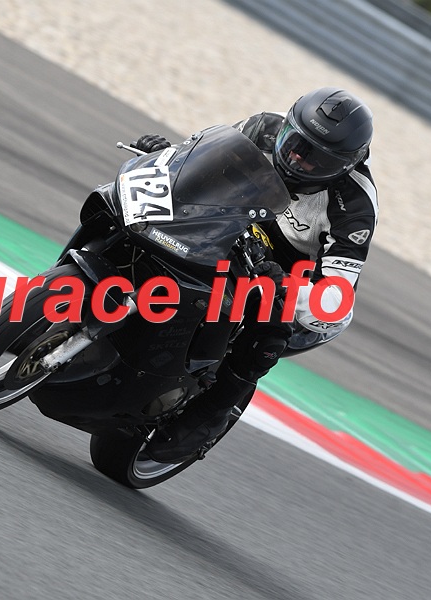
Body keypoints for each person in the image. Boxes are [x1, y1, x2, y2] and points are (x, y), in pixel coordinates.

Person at [137, 87, 379, 463]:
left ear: (345, 166)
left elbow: (336, 300)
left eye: (316, 157)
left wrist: (285, 285)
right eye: (296, 142)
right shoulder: (263, 128)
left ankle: (209, 415)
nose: (297, 158)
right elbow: (199, 164)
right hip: (236, 228)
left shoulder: (355, 206)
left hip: (295, 278)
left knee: (269, 325)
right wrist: (165, 157)